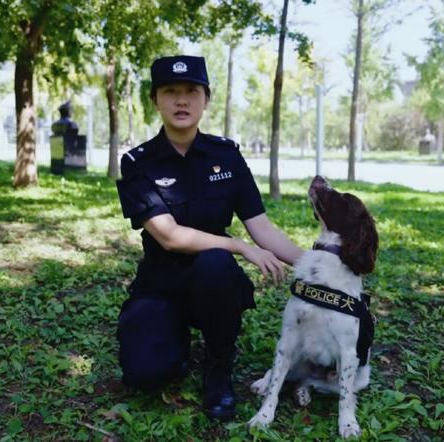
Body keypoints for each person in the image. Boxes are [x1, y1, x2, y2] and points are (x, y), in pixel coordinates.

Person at [115, 55, 303, 421]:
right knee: (145, 374)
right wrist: (239, 246)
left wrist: (316, 263)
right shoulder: (138, 162)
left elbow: (260, 227)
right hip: (161, 283)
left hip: (212, 281)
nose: (181, 101)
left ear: (206, 99)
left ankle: (218, 364)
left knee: (216, 263)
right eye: (170, 92)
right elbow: (168, 236)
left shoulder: (227, 156)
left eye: (191, 91)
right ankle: (175, 340)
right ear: (156, 100)